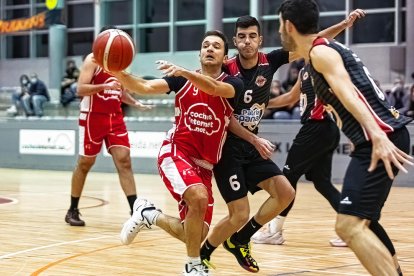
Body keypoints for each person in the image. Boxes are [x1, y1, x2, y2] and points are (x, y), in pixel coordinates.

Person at [200, 11, 365, 273]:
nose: (247, 42)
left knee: (286, 193)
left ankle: (241, 239)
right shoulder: (226, 69)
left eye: (252, 36)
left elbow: (313, 40)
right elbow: (226, 117)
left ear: (260, 40)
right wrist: (254, 138)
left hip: (252, 147)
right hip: (228, 148)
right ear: (235, 40)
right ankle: (203, 254)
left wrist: (344, 25)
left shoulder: (271, 61)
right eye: (241, 37)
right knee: (239, 214)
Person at [113, 30, 274, 276]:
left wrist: (185, 72)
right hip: (177, 152)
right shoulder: (180, 79)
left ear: (224, 56)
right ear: (199, 53)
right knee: (198, 197)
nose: (210, 49)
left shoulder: (234, 83)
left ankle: (148, 214)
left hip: (205, 166)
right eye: (206, 45)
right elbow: (144, 85)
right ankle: (193, 265)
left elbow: (213, 89)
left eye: (216, 46)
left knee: (195, 233)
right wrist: (117, 71)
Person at [278, 0, 413, 275]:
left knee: (348, 224)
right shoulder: (322, 49)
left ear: (288, 26)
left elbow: (350, 93)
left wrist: (376, 134)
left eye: (279, 25)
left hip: (380, 137)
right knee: (364, 222)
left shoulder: (321, 54)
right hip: (381, 135)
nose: (279, 31)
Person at [64, 26, 152, 227]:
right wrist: (103, 86)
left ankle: (135, 211)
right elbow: (80, 89)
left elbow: (119, 91)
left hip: (115, 118)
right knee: (85, 163)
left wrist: (135, 103)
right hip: (92, 117)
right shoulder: (92, 60)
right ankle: (72, 209)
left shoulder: (120, 63)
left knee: (125, 161)